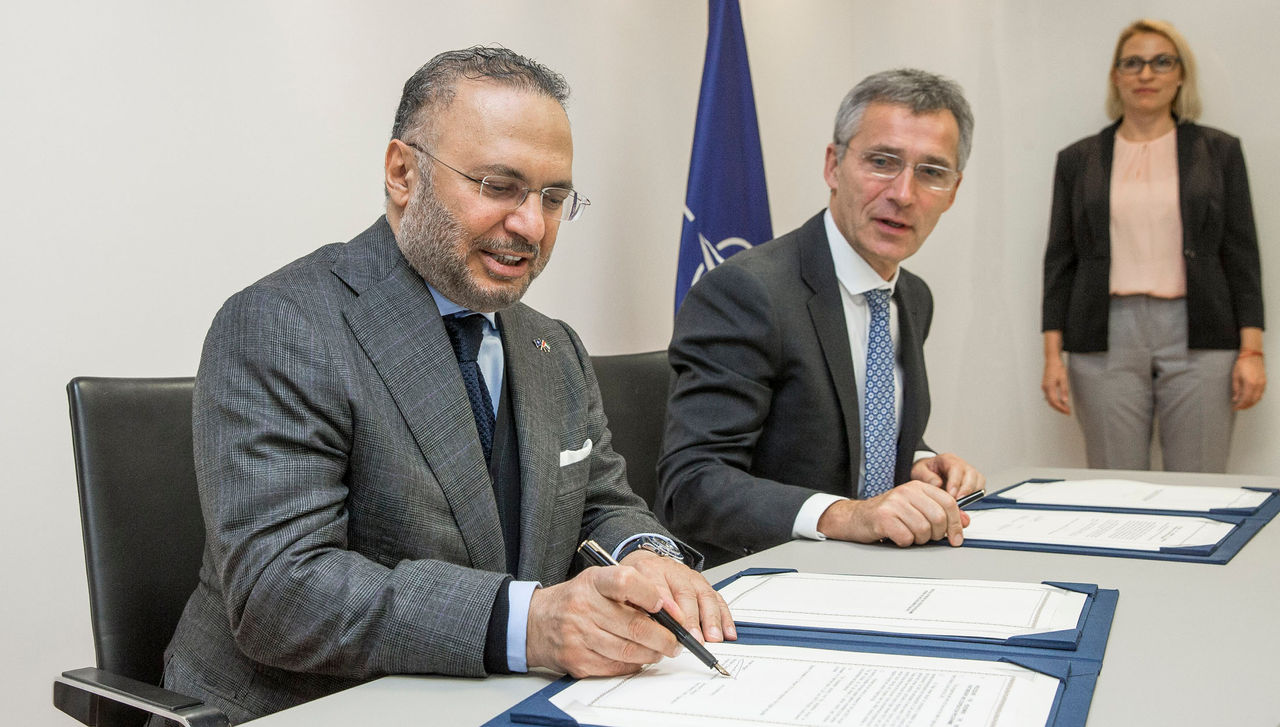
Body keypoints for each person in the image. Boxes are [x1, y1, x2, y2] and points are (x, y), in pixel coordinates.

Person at [153, 46, 733, 725]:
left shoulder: (555, 347)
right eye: (498, 185)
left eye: (553, 197)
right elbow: (281, 593)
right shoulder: (284, 324)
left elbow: (601, 504)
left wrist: (648, 556)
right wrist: (530, 623)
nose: (531, 226)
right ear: (403, 172)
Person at [657, 69, 985, 566]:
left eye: (931, 172)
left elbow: (856, 425)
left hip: (880, 567)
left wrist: (918, 462)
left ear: (953, 191)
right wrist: (847, 515)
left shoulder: (912, 297)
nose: (903, 193)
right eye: (882, 162)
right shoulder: (748, 292)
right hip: (765, 576)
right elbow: (693, 484)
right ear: (834, 165)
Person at [1041, 19, 1265, 472]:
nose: (1147, 74)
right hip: (1105, 335)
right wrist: (1051, 357)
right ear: (1116, 76)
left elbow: (1242, 255)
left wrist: (1252, 351)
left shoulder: (1219, 151)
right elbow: (1060, 261)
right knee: (1113, 482)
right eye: (1133, 63)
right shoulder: (1078, 160)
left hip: (1200, 332)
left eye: (1162, 62)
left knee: (1199, 482)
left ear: (1181, 74)